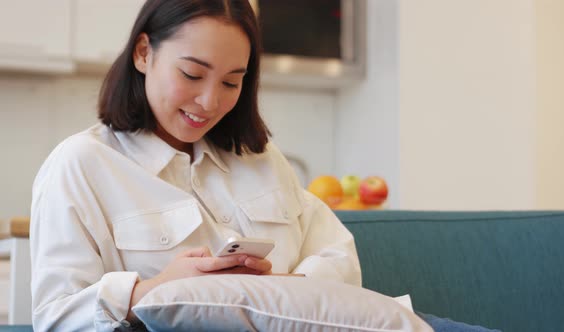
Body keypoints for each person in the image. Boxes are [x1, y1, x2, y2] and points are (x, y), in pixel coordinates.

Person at [29, 1, 498, 331]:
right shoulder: (82, 165)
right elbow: (54, 317)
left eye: (232, 82)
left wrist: (278, 286)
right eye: (192, 74)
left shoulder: (261, 160)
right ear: (143, 53)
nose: (210, 102)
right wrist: (151, 289)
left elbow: (338, 258)